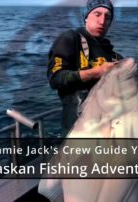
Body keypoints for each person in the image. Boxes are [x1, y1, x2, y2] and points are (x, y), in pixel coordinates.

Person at [47, 0, 122, 136]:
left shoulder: (117, 58)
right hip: (77, 134)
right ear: (86, 17)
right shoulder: (70, 39)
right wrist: (96, 72)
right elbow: (55, 78)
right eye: (97, 14)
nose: (102, 21)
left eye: (107, 17)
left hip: (110, 134)